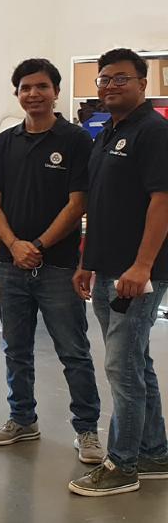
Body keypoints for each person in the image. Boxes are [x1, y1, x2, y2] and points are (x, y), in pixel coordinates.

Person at [0, 58, 102, 462]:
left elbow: (78, 202)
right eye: (25, 87)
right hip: (11, 265)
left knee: (73, 350)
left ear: (55, 91)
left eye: (41, 87)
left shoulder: (75, 141)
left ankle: (87, 430)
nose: (33, 94)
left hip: (59, 265)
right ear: (17, 93)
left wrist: (39, 245)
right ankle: (22, 419)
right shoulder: (3, 144)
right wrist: (14, 245)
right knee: (16, 348)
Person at [69, 48, 168, 497]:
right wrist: (86, 262)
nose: (109, 86)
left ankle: (122, 464)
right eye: (104, 79)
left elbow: (162, 202)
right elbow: (100, 208)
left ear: (143, 84)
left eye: (120, 79)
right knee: (135, 361)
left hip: (138, 272)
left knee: (121, 366)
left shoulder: (153, 132)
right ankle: (154, 450)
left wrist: (143, 265)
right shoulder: (106, 133)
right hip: (107, 267)